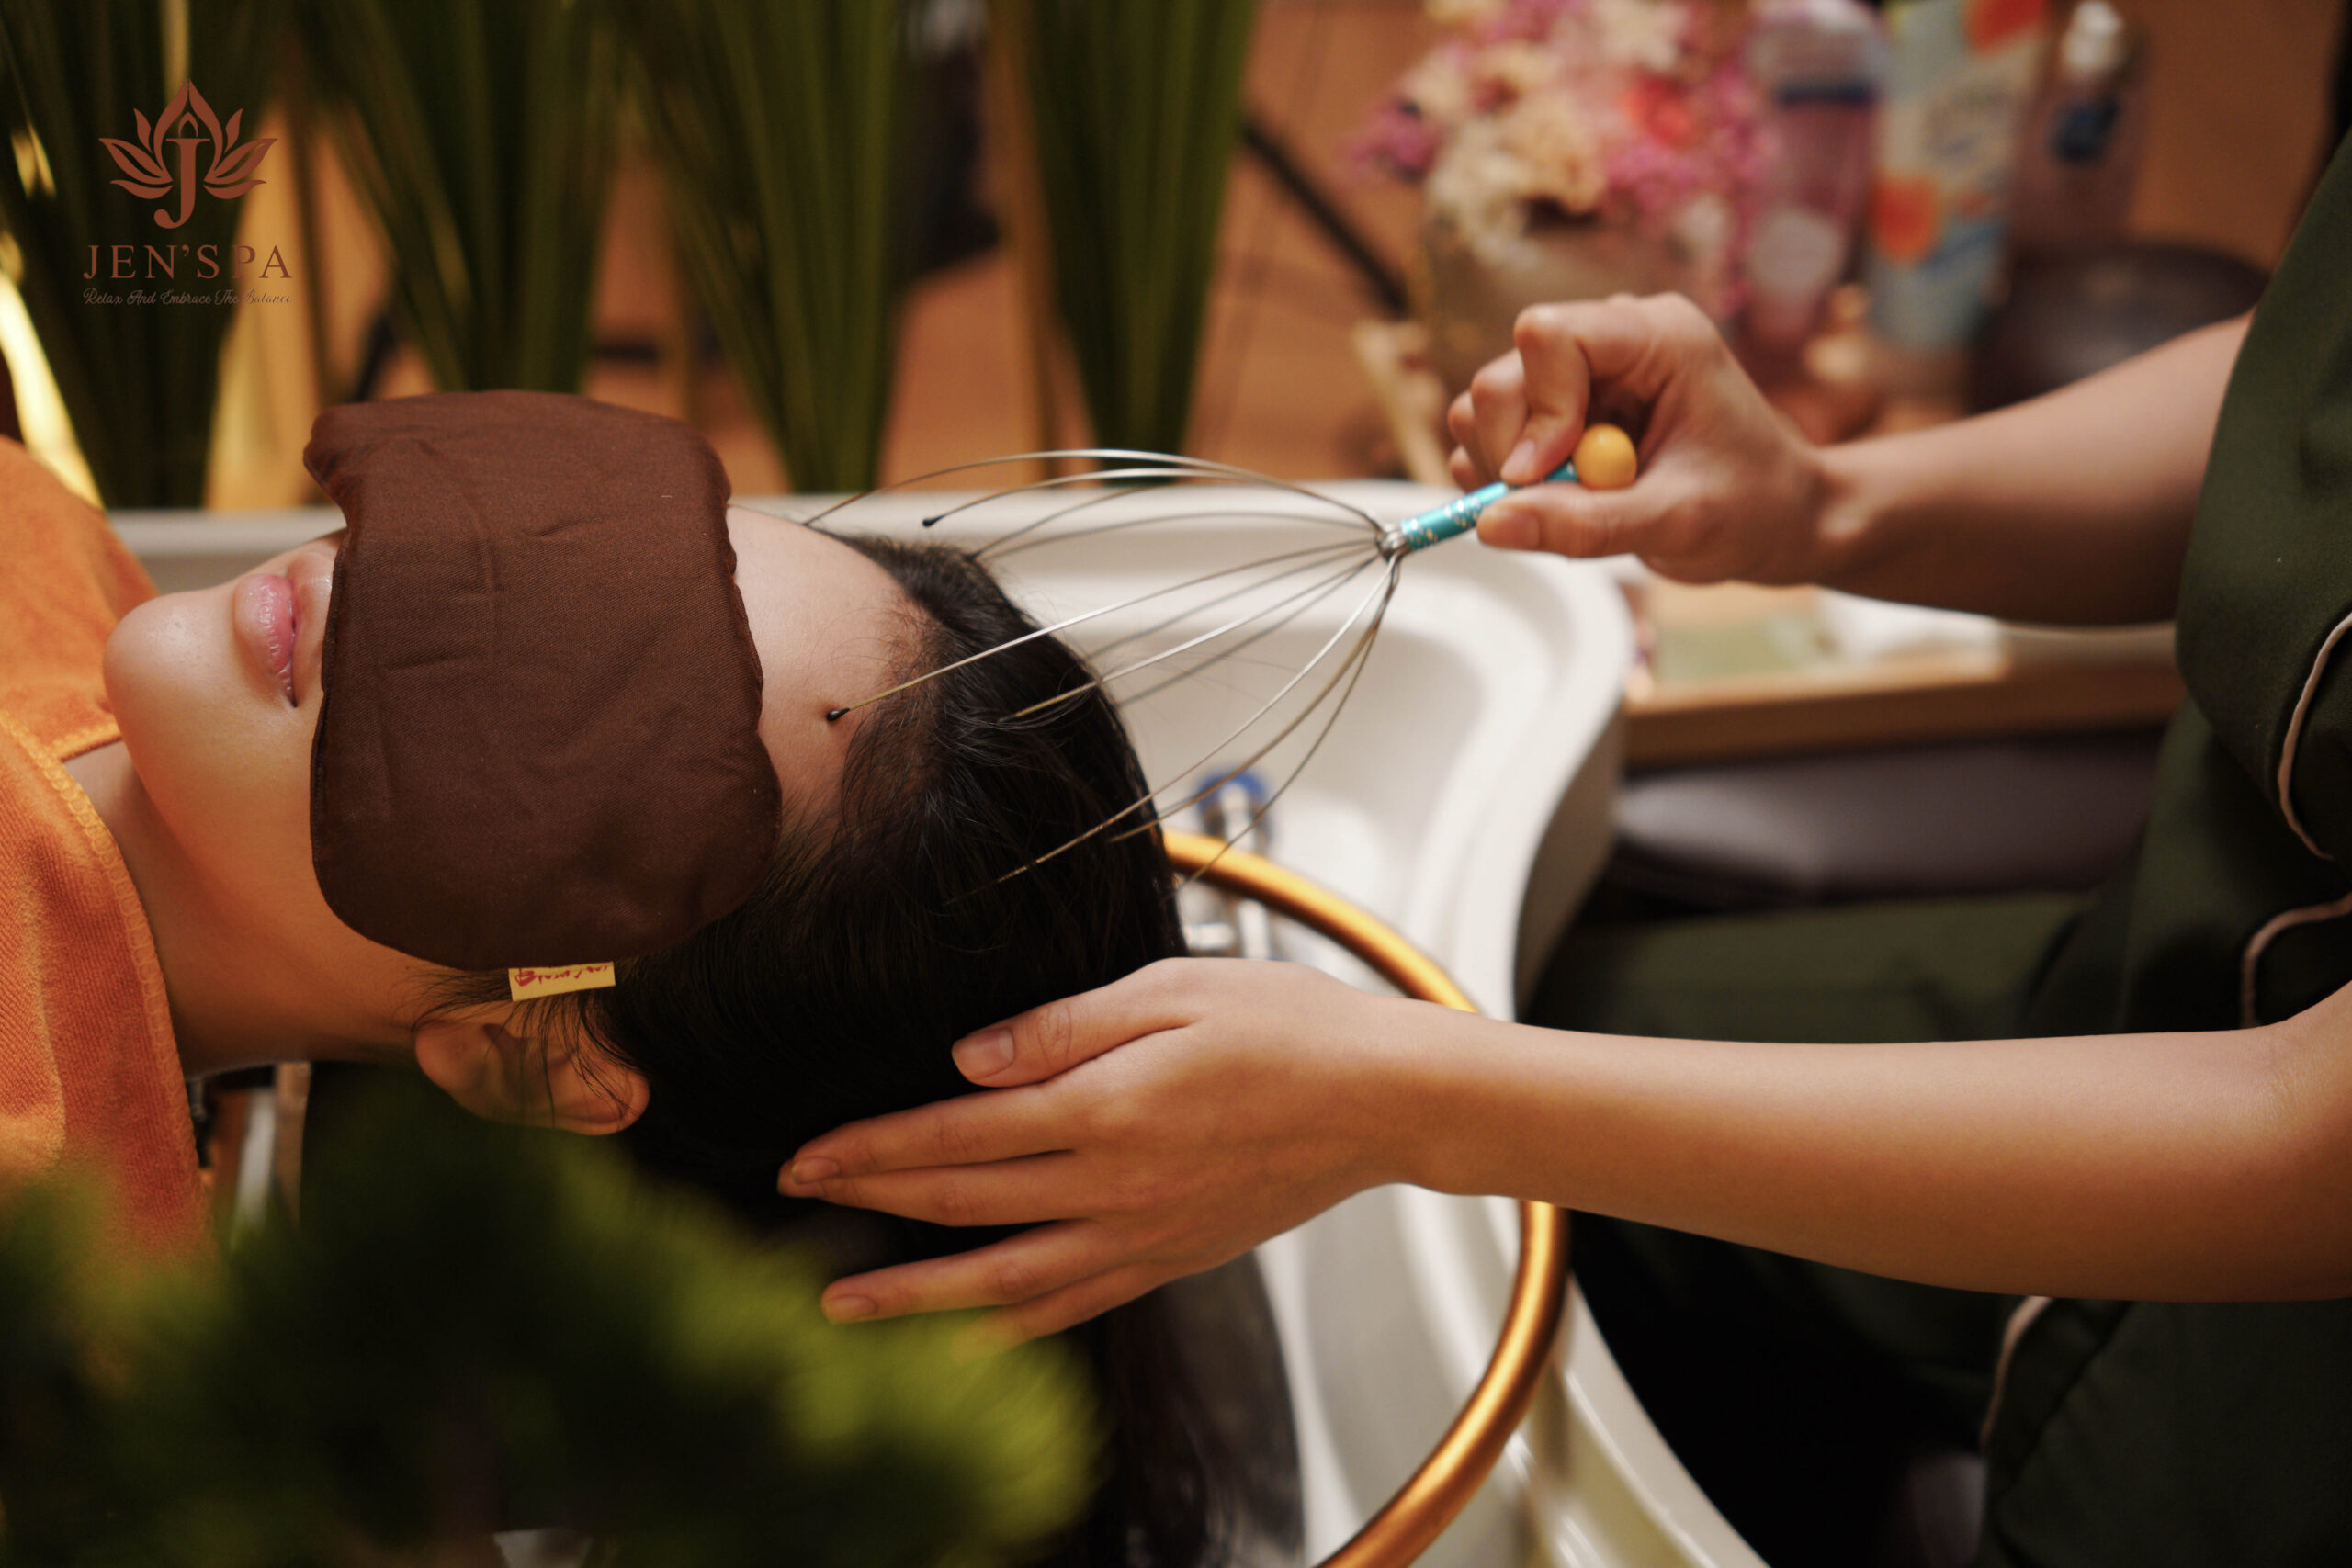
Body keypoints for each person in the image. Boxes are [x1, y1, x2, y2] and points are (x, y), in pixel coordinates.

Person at [779, 141, 2352, 1567]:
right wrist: (1823, 504)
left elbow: (2310, 1150)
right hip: (2129, 967)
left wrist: (1412, 1102)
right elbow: (2302, 403)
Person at [0, 415, 1273, 1568]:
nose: (375, 584)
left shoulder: (64, 1355)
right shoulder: (44, 544)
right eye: (585, 547)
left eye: (568, 716)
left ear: (536, 1049)